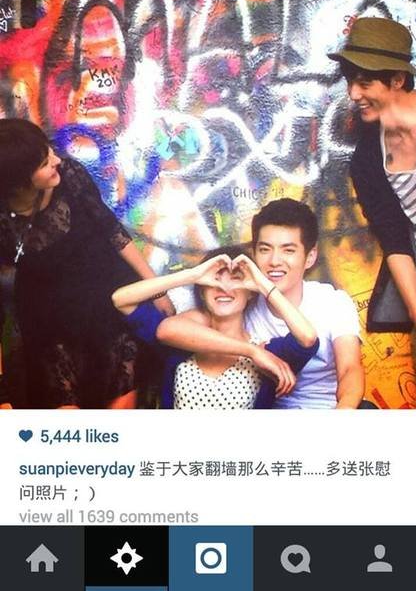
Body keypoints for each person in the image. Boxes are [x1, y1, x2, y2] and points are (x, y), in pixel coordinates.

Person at [0, 119, 174, 409]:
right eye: (44, 162)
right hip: (48, 318)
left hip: (107, 301)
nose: (56, 160)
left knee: (121, 397)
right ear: (17, 182)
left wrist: (156, 289)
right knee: (64, 407)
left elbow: (113, 232)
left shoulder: (70, 175)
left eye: (49, 150)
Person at [128, 199, 364, 409]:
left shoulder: (332, 302)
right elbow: (168, 329)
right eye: (264, 250)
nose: (274, 261)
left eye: (288, 250)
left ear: (310, 256)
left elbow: (349, 369)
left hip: (328, 407)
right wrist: (251, 350)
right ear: (254, 254)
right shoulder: (238, 302)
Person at [112, 245, 320, 409]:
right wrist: (192, 275)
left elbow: (307, 338)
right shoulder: (180, 343)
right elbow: (121, 300)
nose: (224, 288)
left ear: (250, 293)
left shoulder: (266, 353)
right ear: (202, 292)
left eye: (236, 279)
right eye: (215, 279)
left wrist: (262, 284)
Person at [328, 17, 416, 345]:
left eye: (365, 83)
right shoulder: (368, 157)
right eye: (350, 82)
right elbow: (394, 239)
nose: (354, 94)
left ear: (397, 79)